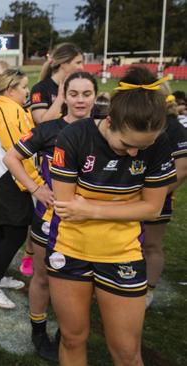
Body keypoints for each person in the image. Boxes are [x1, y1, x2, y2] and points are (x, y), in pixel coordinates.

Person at [48, 67, 176, 365]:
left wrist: (90, 208)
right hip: (70, 251)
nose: (134, 154)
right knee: (72, 338)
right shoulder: (75, 136)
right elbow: (67, 207)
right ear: (109, 121)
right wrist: (127, 206)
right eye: (127, 145)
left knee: (127, 352)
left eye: (142, 147)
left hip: (123, 254)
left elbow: (153, 208)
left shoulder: (158, 145)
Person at [4, 71, 99, 361]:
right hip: (51, 220)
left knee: (87, 282)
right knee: (44, 278)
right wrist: (36, 188)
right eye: (74, 94)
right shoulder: (48, 129)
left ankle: (66, 332)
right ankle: (39, 331)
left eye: (86, 94)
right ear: (64, 97)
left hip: (94, 223)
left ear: (95, 96)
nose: (80, 100)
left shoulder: (105, 127)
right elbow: (11, 157)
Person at [0, 69, 43, 309]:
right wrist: (35, 183)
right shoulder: (9, 110)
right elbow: (21, 151)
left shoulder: (0, 106)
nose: (28, 91)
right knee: (15, 232)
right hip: (7, 180)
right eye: (24, 86)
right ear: (10, 88)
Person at [143, 92, 187, 307]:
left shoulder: (174, 128)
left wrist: (154, 194)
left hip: (157, 197)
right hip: (127, 194)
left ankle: (148, 291)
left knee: (151, 244)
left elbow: (182, 169)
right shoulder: (139, 120)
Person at [30, 43, 83, 124]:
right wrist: (61, 97)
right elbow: (42, 123)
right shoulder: (40, 89)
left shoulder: (76, 88)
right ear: (64, 63)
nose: (82, 67)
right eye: (78, 63)